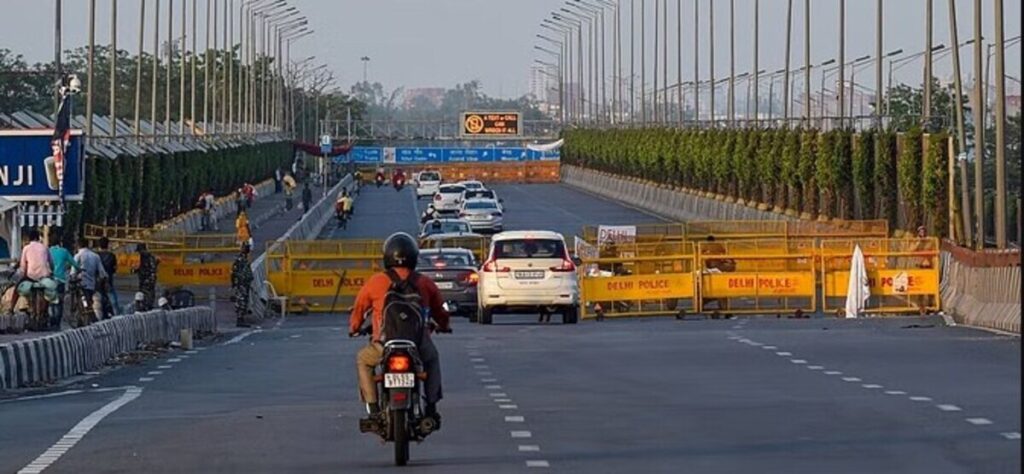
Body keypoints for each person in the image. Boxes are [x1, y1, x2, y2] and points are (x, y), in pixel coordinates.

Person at [349, 233, 451, 427]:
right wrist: (444, 326)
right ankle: (431, 407)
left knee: (363, 360)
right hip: (417, 344)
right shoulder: (424, 282)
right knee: (431, 360)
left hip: (384, 344)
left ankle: (372, 409)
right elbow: (440, 311)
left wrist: (354, 328)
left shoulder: (376, 281)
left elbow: (359, 309)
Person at [11, 229, 52, 312]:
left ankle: (11, 308)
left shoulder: (26, 248)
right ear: (38, 238)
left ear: (29, 238)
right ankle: (45, 311)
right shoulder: (45, 248)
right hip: (43, 276)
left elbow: (23, 266)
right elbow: (51, 263)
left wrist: (23, 274)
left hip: (31, 276)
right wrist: (51, 272)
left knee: (17, 289)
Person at [72, 237, 108, 323]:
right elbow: (102, 273)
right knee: (90, 302)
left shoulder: (78, 256)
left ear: (78, 245)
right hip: (92, 284)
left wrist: (72, 277)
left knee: (82, 301)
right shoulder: (95, 256)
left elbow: (73, 272)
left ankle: (82, 318)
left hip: (80, 284)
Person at [49, 236, 79, 329]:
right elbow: (74, 263)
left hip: (49, 279)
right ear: (60, 243)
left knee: (50, 301)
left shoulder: (48, 251)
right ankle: (57, 323)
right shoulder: (64, 251)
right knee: (59, 301)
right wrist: (78, 268)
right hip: (61, 280)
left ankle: (51, 320)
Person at [230, 242, 254, 328]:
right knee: (241, 301)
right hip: (241, 284)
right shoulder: (240, 259)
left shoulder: (243, 258)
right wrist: (234, 283)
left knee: (244, 301)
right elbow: (234, 272)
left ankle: (241, 318)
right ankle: (240, 319)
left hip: (244, 283)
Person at [96, 237, 119, 318]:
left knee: (98, 301)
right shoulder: (112, 256)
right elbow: (115, 268)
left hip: (97, 282)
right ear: (108, 245)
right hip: (108, 281)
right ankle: (117, 316)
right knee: (113, 301)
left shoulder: (96, 256)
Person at [135, 243, 158, 311]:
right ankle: (146, 306)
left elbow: (149, 269)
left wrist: (138, 271)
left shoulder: (146, 257)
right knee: (146, 295)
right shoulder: (147, 257)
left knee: (146, 295)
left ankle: (147, 307)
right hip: (147, 279)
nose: (139, 253)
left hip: (147, 279)